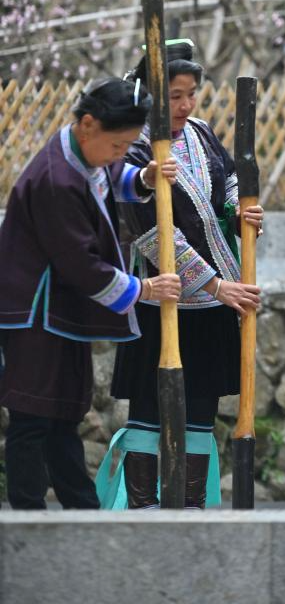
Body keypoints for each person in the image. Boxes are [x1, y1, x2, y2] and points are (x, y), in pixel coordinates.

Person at [0, 78, 180, 510]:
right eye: (118, 145)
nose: (120, 154)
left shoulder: (82, 154)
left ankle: (81, 510)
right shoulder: (56, 179)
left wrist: (143, 176)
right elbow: (79, 262)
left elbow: (108, 173)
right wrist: (142, 288)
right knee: (32, 417)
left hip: (60, 311)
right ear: (87, 125)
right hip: (36, 312)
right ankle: (28, 517)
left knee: (63, 415)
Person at [98, 41, 263, 510]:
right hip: (159, 298)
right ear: (148, 95)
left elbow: (229, 180)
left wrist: (241, 212)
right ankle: (142, 507)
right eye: (174, 95)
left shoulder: (202, 133)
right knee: (148, 413)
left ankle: (192, 506)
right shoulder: (130, 148)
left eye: (191, 93)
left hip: (213, 303)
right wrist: (215, 284)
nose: (186, 105)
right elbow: (150, 233)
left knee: (200, 413)